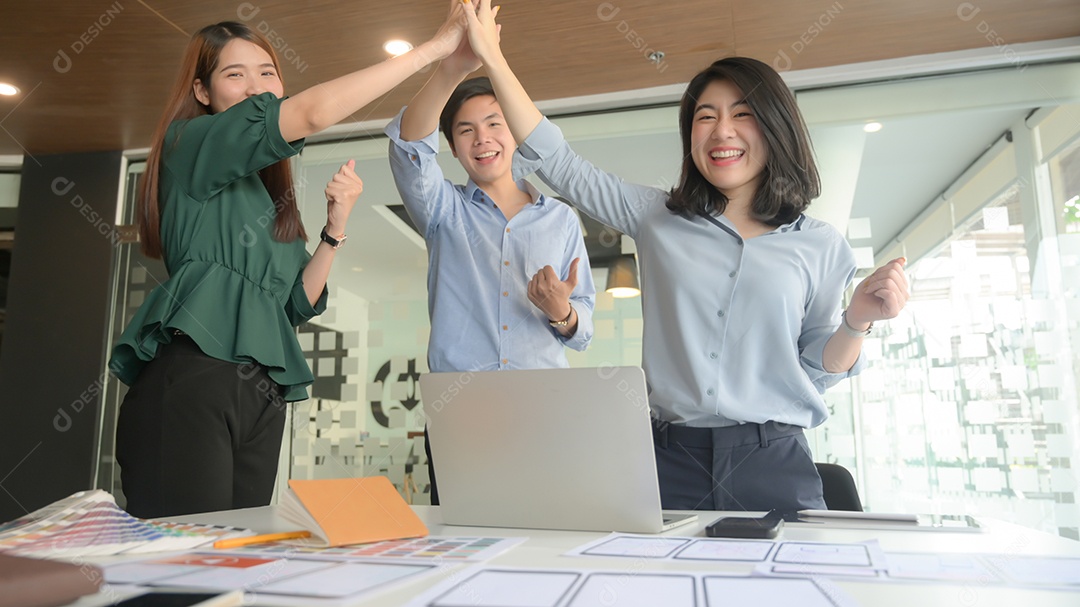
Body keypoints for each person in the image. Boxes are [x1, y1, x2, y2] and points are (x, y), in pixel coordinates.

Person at [460, 0, 909, 512]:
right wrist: (493, 58)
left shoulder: (821, 244)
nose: (721, 131)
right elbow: (559, 162)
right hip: (669, 460)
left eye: (742, 115)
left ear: (775, 128)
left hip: (772, 461)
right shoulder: (656, 217)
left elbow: (816, 371)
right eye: (705, 116)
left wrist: (857, 321)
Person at [109, 5, 468, 518]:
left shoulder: (261, 193)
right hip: (193, 375)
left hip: (261, 392)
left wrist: (335, 227)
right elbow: (314, 114)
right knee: (189, 556)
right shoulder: (189, 144)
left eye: (267, 73)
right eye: (235, 75)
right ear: (202, 91)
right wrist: (434, 50)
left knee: (240, 551)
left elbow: (295, 302)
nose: (257, 88)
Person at [385, 22, 595, 504]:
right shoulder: (442, 210)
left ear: (515, 132)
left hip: (545, 408)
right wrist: (450, 68)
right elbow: (408, 147)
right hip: (463, 411)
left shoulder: (561, 219)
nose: (482, 139)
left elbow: (582, 329)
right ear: (453, 147)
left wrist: (562, 312)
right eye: (466, 130)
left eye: (495, 124)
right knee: (464, 534)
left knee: (545, 530)